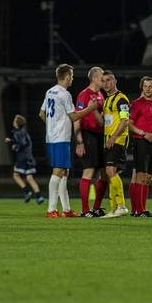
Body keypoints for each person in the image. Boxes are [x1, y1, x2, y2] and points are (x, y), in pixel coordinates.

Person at [39, 64, 98, 218]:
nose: (72, 78)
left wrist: (51, 125)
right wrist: (90, 109)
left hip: (52, 136)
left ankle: (66, 209)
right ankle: (51, 209)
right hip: (60, 137)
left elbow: (41, 114)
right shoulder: (65, 94)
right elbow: (74, 116)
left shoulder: (49, 91)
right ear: (66, 77)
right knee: (59, 170)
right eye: (71, 76)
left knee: (65, 171)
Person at [73, 66, 108, 217]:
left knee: (104, 173)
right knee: (88, 171)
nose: (104, 79)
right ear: (94, 78)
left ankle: (96, 207)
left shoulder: (100, 94)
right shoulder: (84, 94)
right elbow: (76, 118)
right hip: (88, 135)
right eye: (102, 77)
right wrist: (79, 142)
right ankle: (85, 210)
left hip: (100, 136)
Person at [127, 76, 152, 217]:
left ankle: (141, 209)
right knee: (140, 176)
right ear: (142, 88)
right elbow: (129, 124)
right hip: (141, 142)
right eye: (145, 86)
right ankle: (139, 210)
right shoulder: (136, 104)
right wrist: (144, 134)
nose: (147, 89)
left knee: (148, 177)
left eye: (150, 86)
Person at [99, 70, 132, 217]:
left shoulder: (121, 99)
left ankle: (121, 206)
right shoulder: (107, 100)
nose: (105, 83)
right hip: (108, 141)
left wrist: (113, 137)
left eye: (108, 80)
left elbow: (125, 120)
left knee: (110, 171)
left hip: (118, 140)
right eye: (103, 81)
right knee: (110, 173)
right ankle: (113, 208)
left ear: (115, 81)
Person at [6, 114, 44, 205]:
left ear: (16, 123)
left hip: (22, 158)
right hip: (29, 158)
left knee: (15, 175)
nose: (13, 121)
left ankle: (27, 191)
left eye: (15, 120)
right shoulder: (24, 132)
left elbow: (21, 143)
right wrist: (12, 141)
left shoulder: (17, 132)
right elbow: (25, 142)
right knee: (29, 178)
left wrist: (15, 146)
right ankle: (39, 196)